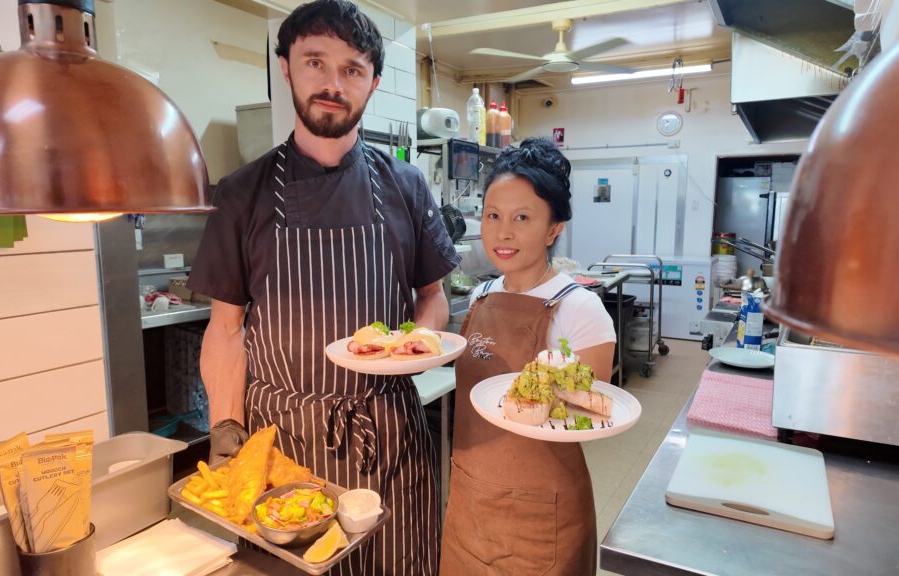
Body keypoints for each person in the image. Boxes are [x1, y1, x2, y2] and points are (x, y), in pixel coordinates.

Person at [187, 1, 459, 574]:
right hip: (283, 444)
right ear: (286, 66)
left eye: (353, 70)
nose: (333, 85)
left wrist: (412, 347)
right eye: (316, 62)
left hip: (388, 433)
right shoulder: (242, 195)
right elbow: (227, 328)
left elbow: (434, 296)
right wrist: (226, 430)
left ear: (373, 83)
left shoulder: (405, 186)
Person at [439, 138, 616, 575]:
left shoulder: (579, 308)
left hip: (540, 514)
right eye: (493, 216)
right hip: (469, 500)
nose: (503, 232)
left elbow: (587, 416)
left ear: (553, 228)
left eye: (523, 218)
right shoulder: (481, 295)